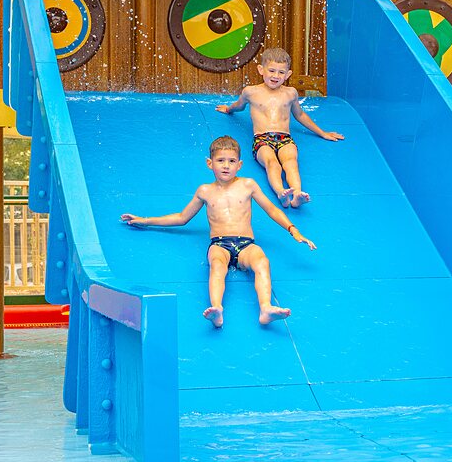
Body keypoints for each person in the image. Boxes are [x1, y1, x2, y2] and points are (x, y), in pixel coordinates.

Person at [121, 135, 315, 329]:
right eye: (220, 160)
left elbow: (271, 209)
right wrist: (145, 220)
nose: (226, 166)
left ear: (239, 165)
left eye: (232, 161)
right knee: (217, 265)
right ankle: (217, 309)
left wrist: (293, 230)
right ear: (210, 163)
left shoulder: (248, 185)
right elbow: (181, 217)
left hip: (246, 244)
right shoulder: (205, 191)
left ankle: (266, 308)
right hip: (219, 244)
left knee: (262, 262)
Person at [215, 46, 344, 208]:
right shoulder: (251, 92)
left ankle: (297, 194)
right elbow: (239, 106)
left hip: (285, 138)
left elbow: (300, 115)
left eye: (281, 72)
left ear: (288, 74)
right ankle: (281, 192)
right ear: (261, 70)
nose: (276, 76)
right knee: (272, 163)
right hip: (262, 139)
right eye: (272, 71)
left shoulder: (290, 93)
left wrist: (322, 133)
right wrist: (228, 109)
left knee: (291, 162)